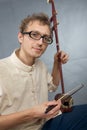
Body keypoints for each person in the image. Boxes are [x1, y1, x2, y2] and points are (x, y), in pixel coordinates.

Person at [0, 13, 87, 130]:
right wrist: (33, 113)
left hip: (47, 124)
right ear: (21, 37)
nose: (41, 43)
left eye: (46, 38)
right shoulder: (2, 69)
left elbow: (53, 86)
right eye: (34, 34)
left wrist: (56, 63)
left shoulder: (40, 65)